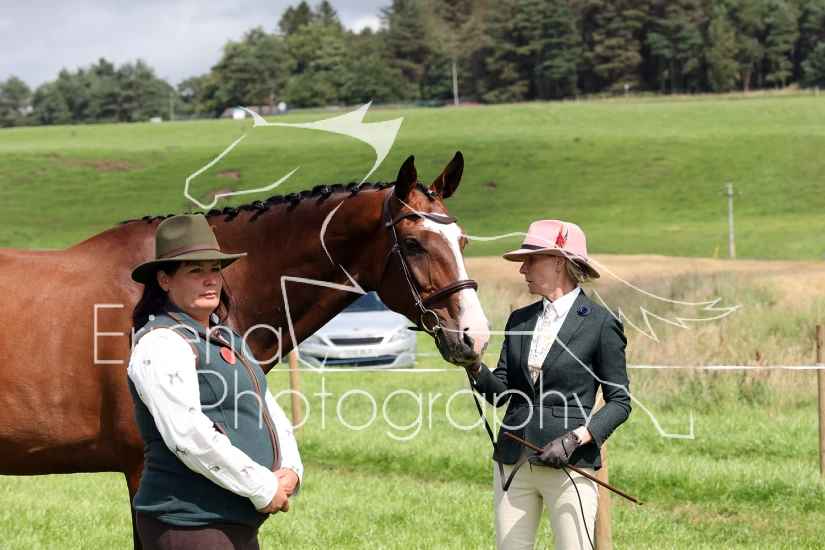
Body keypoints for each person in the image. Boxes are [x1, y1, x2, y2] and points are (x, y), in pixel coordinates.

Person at [126, 214, 303, 550]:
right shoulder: (161, 342)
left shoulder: (227, 337)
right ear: (164, 280)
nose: (210, 280)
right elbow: (187, 435)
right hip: (189, 524)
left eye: (215, 269)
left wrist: (290, 468)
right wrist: (262, 486)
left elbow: (266, 406)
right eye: (195, 270)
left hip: (231, 523)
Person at [467, 220, 631, 550]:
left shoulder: (601, 323)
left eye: (531, 260)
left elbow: (620, 401)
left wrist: (577, 438)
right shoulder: (519, 320)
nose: (522, 269)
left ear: (559, 262)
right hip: (513, 460)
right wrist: (473, 365)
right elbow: (501, 394)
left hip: (569, 462)